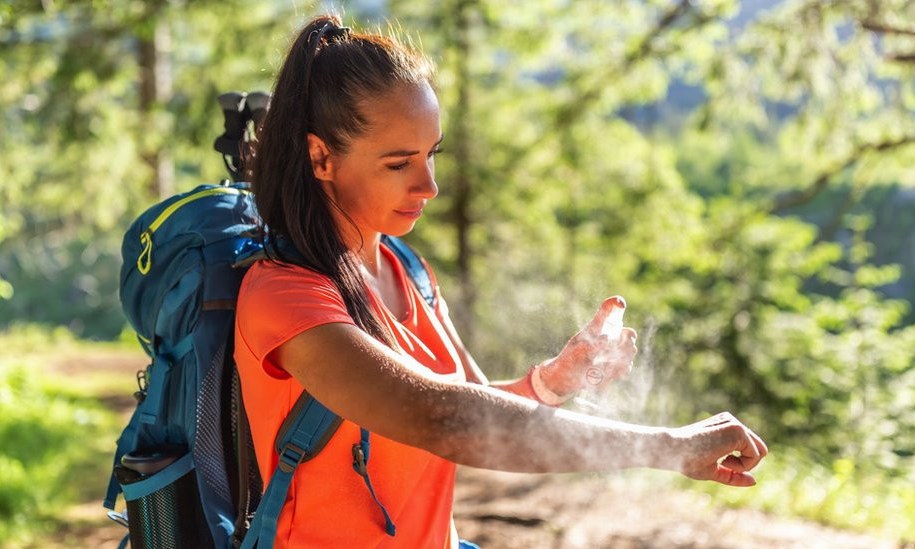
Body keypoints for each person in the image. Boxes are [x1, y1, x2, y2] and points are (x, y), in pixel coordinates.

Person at [234, 14, 768, 549]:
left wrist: (553, 381)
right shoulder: (285, 296)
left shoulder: (406, 269)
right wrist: (667, 447)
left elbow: (477, 406)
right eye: (400, 164)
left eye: (431, 154)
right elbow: (442, 419)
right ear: (320, 157)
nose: (430, 185)